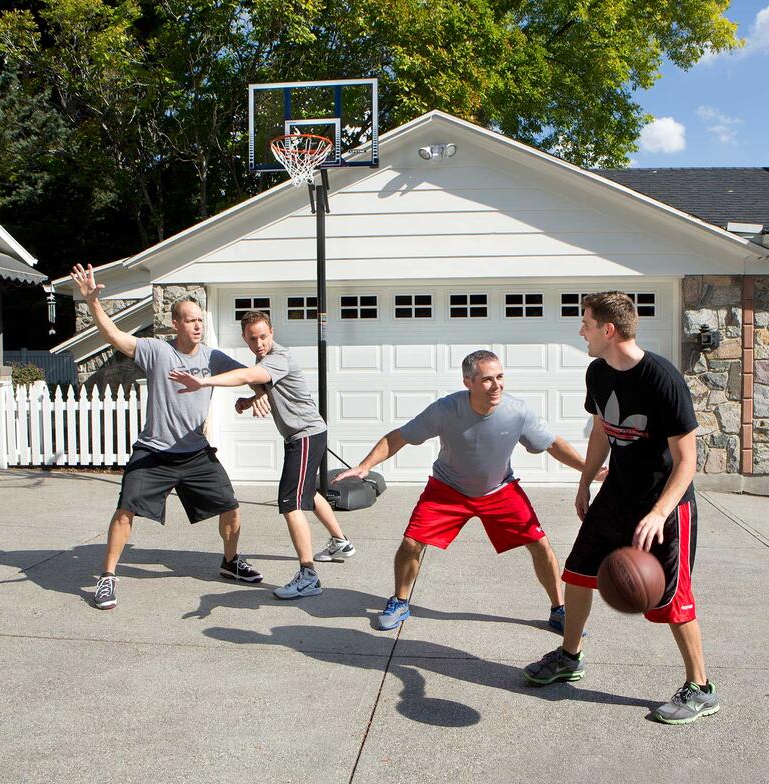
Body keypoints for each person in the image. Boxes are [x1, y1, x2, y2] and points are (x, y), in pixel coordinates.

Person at [524, 291, 719, 725]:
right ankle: (569, 657)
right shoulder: (598, 372)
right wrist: (583, 481)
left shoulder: (662, 379)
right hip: (616, 496)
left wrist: (659, 513)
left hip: (664, 502)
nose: (581, 331)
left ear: (608, 330)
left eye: (586, 323)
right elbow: (600, 431)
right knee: (577, 574)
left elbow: (687, 462)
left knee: (674, 598)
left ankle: (701, 687)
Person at [333, 349, 603, 632]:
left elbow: (552, 444)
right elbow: (399, 436)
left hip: (499, 490)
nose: (496, 385)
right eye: (487, 379)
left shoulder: (517, 411)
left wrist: (589, 469)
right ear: (468, 382)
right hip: (448, 489)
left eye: (500, 377)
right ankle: (400, 600)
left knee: (540, 544)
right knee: (412, 543)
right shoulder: (446, 409)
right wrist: (365, 466)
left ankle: (559, 609)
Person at [70, 264, 264, 610]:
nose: (198, 325)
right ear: (176, 324)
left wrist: (257, 394)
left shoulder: (212, 357)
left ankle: (230, 562)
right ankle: (108, 577)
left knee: (231, 508)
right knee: (125, 510)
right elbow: (114, 336)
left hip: (195, 453)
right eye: (190, 320)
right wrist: (93, 303)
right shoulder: (157, 351)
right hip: (154, 453)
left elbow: (250, 375)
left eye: (200, 320)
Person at [168, 310, 355, 600]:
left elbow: (246, 375)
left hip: (305, 435)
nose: (259, 343)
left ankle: (308, 576)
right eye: (253, 338)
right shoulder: (264, 359)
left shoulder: (278, 357)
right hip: (306, 435)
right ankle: (341, 542)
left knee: (290, 503)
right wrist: (251, 399)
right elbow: (264, 385)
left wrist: (204, 382)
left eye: (263, 336)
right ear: (245, 338)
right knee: (309, 492)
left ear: (272, 333)